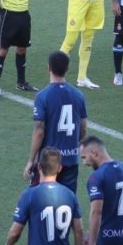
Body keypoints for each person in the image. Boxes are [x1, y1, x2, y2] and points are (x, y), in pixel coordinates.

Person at [25, 51, 87, 193]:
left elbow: (39, 131)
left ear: (49, 68)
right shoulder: (79, 95)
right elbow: (83, 128)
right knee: (67, 201)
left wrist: (30, 160)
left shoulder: (42, 96)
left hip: (49, 161)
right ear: (67, 69)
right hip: (71, 159)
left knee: (43, 201)